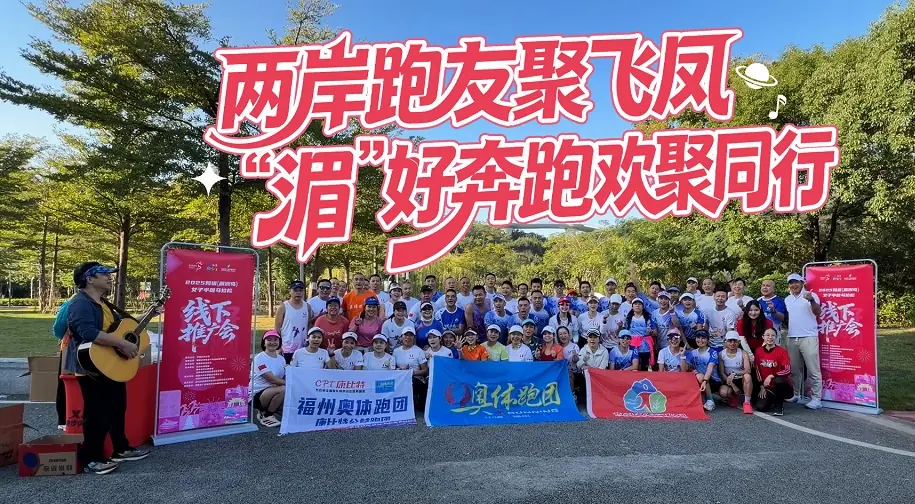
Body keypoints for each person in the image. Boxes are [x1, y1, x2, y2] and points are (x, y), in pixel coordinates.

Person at [65, 262, 153, 474]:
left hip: (110, 365)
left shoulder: (104, 303)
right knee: (97, 414)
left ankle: (120, 448)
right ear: (89, 279)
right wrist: (122, 344)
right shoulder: (80, 303)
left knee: (117, 408)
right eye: (103, 274)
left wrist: (150, 313)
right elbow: (88, 332)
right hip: (92, 367)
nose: (109, 277)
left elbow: (121, 328)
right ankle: (91, 459)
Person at [784, 273, 823, 409]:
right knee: (794, 369)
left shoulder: (811, 295)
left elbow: (818, 312)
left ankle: (816, 399)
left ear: (802, 283)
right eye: (791, 283)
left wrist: (811, 300)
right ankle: (796, 394)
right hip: (792, 337)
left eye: (796, 282)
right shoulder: (788, 299)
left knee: (813, 369)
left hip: (809, 337)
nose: (794, 285)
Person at [251, 330, 286, 428]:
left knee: (285, 390)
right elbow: (272, 380)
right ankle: (267, 415)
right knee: (284, 388)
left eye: (275, 340)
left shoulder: (281, 359)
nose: (272, 342)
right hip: (257, 394)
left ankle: (267, 410)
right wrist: (291, 384)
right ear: (264, 343)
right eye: (269, 340)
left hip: (273, 391)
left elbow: (283, 377)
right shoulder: (259, 358)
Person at [754, 328, 793, 416]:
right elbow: (757, 370)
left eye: (773, 335)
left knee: (778, 380)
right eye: (767, 335)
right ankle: (772, 399)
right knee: (761, 407)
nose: (770, 337)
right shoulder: (758, 351)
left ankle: (779, 405)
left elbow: (787, 370)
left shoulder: (782, 351)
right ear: (763, 337)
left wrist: (772, 375)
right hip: (767, 386)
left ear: (776, 337)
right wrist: (761, 386)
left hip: (782, 385)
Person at [274, 280, 313, 363]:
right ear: (290, 291)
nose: (298, 293)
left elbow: (309, 325)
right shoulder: (283, 307)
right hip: (286, 348)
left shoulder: (307, 307)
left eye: (300, 290)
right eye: (295, 290)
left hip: (302, 347)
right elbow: (277, 328)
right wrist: (278, 346)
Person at [393, 325, 429, 409]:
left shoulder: (419, 351)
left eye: (411, 335)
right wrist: (400, 370)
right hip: (400, 377)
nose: (408, 337)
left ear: (414, 338)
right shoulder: (396, 351)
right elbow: (393, 367)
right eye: (405, 335)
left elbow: (425, 370)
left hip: (415, 378)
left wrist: (412, 373)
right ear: (401, 337)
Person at [718, 331, 754, 414]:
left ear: (739, 342)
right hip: (729, 380)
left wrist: (734, 374)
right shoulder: (721, 354)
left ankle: (747, 403)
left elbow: (748, 370)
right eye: (730, 341)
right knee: (723, 392)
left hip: (741, 379)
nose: (732, 343)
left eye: (735, 341)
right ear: (726, 342)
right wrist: (733, 386)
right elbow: (722, 373)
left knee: (747, 376)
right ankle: (733, 396)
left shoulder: (743, 353)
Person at [686, 330, 720, 411]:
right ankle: (703, 398)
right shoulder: (692, 353)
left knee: (700, 377)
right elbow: (688, 367)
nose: (700, 340)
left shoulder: (713, 352)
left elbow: (710, 368)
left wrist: (705, 380)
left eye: (703, 338)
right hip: (699, 379)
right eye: (698, 337)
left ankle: (710, 400)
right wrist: (692, 370)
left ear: (707, 340)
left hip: (711, 380)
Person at [625, 298, 656, 370]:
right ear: (632, 307)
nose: (637, 305)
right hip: (632, 346)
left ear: (643, 306)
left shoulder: (648, 318)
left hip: (645, 346)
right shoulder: (628, 319)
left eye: (639, 304)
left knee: (644, 367)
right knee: (633, 367)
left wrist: (651, 332)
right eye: (635, 304)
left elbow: (655, 332)